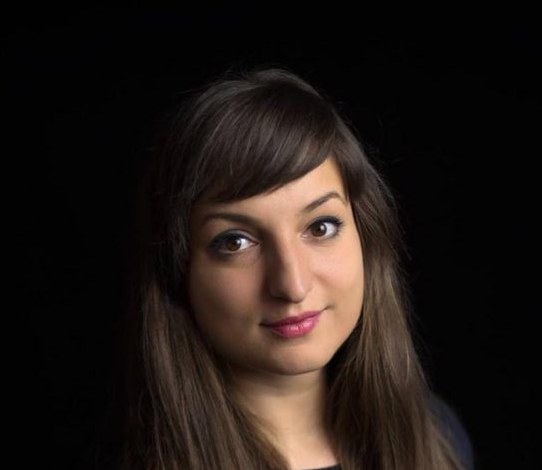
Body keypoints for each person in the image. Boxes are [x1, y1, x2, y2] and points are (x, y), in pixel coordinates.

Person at [119, 67, 474, 470]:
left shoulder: (436, 435)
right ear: (177, 270)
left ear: (366, 234)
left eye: (320, 227)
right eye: (235, 242)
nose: (292, 284)